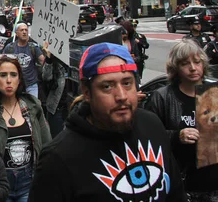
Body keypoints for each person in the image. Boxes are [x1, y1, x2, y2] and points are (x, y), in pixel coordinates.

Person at [29, 43, 186, 201]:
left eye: (127, 83)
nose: (121, 96)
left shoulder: (152, 125)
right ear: (87, 92)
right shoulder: (57, 159)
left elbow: (176, 193)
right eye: (107, 86)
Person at [146, 40, 218, 201]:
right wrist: (177, 136)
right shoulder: (163, 97)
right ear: (176, 68)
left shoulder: (214, 92)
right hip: (183, 186)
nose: (193, 68)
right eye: (185, 64)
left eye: (197, 62)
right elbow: (148, 138)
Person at [0, 56, 51, 202]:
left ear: (19, 79)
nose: (8, 80)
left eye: (13, 75)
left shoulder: (32, 105)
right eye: (3, 75)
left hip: (28, 182)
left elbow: (46, 144)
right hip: (0, 184)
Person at [1, 22, 45, 98]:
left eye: (26, 30)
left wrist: (48, 53)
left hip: (31, 84)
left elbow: (43, 61)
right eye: (21, 30)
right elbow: (0, 62)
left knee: (33, 107)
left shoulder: (33, 47)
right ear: (17, 33)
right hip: (15, 85)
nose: (24, 32)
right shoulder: (10, 47)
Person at [40, 43, 68, 138]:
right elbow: (46, 76)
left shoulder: (72, 60)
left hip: (69, 109)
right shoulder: (54, 63)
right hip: (56, 109)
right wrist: (48, 57)